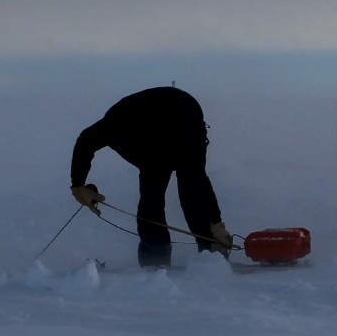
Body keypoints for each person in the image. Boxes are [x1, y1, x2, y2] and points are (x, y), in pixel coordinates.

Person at [70, 85, 234, 267]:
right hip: (168, 120)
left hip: (180, 117)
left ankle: (196, 248)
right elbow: (85, 141)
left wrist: (78, 184)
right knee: (166, 190)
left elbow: (85, 140)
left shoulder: (130, 133)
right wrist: (78, 184)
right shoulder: (118, 128)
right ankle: (169, 251)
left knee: (182, 185)